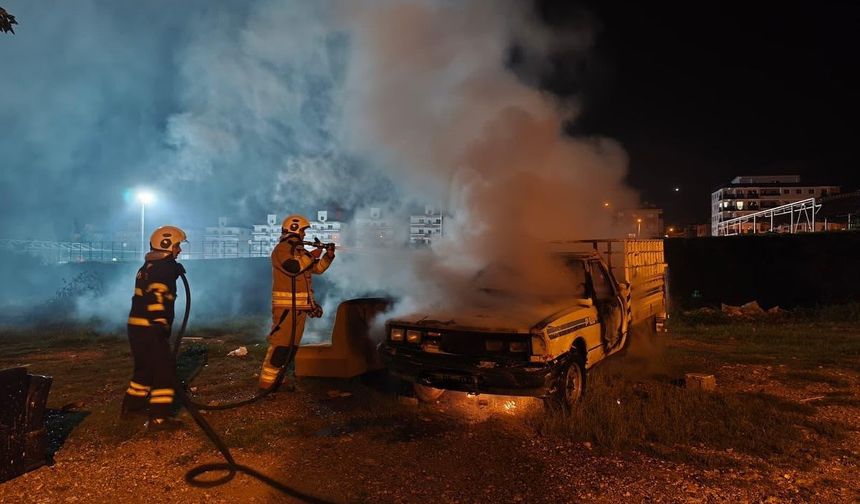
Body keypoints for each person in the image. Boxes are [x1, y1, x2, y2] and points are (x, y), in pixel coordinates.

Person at [121, 225, 187, 431]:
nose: (179, 250)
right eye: (177, 246)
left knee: (144, 369)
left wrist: (172, 270)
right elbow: (157, 295)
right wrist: (159, 322)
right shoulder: (163, 268)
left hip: (137, 327)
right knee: (164, 370)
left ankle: (132, 408)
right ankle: (159, 418)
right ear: (167, 245)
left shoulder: (147, 267)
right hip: (151, 327)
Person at [259, 214, 335, 390]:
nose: (304, 235)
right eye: (303, 231)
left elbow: (317, 269)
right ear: (294, 229)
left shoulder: (299, 252)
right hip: (286, 308)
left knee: (291, 348)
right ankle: (266, 383)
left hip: (300, 308)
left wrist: (327, 256)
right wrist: (311, 254)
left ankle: (279, 380)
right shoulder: (282, 249)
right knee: (280, 346)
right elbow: (292, 268)